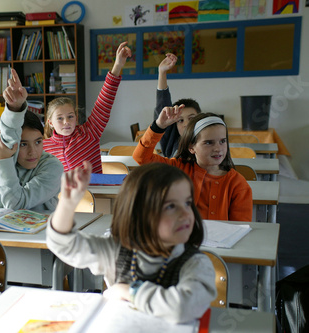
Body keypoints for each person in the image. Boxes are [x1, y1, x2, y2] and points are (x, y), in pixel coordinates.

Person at [47, 161, 216, 323]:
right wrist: (67, 205)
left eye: (187, 203)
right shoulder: (116, 252)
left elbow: (182, 308)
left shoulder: (196, 263)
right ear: (138, 216)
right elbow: (63, 246)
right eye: (170, 206)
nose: (186, 214)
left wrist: (129, 291)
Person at [133, 107, 253, 221]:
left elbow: (241, 227)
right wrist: (158, 126)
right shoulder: (177, 170)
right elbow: (142, 158)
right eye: (209, 143)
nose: (218, 148)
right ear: (191, 147)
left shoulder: (237, 184)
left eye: (222, 141)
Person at [43, 41, 132, 174]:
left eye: (70, 116)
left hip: (94, 193)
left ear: (76, 117)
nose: (66, 121)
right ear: (50, 123)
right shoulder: (43, 147)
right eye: (60, 118)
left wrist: (117, 65)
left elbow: (104, 103)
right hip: (61, 194)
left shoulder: (89, 133)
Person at [0, 68, 63, 212]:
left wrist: (4, 162)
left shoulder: (52, 167)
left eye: (38, 142)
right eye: (23, 144)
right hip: (6, 229)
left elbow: (16, 205)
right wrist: (14, 108)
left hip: (45, 231)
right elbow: (10, 137)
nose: (33, 152)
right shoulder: (1, 156)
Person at [155, 53, 201, 157]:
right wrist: (162, 72)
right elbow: (163, 106)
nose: (186, 124)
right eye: (180, 120)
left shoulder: (207, 143)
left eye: (192, 118)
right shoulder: (172, 142)